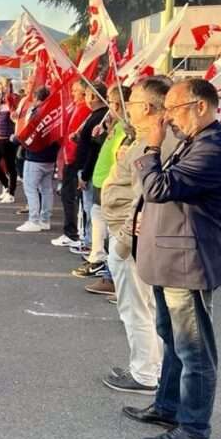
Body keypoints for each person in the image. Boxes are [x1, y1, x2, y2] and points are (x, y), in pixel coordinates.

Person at [122, 78, 221, 439]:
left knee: (194, 349)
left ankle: (193, 428)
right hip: (170, 258)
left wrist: (152, 146)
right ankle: (168, 406)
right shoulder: (195, 142)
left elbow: (158, 188)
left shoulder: (214, 149)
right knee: (171, 338)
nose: (168, 117)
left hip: (188, 262)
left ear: (200, 106)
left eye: (174, 109)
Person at [100, 76, 175, 394]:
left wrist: (122, 241)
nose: (127, 107)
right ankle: (152, 369)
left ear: (147, 107)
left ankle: (144, 374)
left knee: (135, 308)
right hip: (134, 236)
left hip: (131, 239)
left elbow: (143, 201)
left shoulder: (152, 144)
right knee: (148, 307)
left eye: (132, 102)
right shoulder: (150, 138)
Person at [81, 86, 131, 296]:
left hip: (112, 184)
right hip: (102, 181)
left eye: (111, 102)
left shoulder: (128, 129)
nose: (109, 106)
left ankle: (112, 278)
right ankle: (104, 267)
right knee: (99, 223)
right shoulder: (115, 125)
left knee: (114, 233)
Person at [70, 83, 109, 271]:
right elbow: (88, 142)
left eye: (86, 94)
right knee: (89, 210)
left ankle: (93, 246)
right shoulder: (95, 116)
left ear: (93, 97)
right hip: (88, 169)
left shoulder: (102, 118)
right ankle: (90, 244)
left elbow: (94, 149)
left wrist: (85, 174)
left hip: (92, 171)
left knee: (91, 210)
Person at [51, 80, 91, 249]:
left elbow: (76, 138)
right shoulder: (77, 108)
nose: (72, 93)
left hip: (74, 160)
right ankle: (73, 232)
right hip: (70, 158)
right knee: (69, 196)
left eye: (75, 90)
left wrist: (71, 158)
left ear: (84, 93)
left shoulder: (84, 110)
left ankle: (72, 233)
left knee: (71, 197)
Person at [16, 87, 59, 232]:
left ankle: (33, 220)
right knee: (46, 189)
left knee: (30, 188)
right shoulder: (55, 113)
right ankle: (45, 220)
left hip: (35, 156)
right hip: (50, 156)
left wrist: (17, 138)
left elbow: (29, 132)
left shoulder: (37, 113)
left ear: (36, 98)